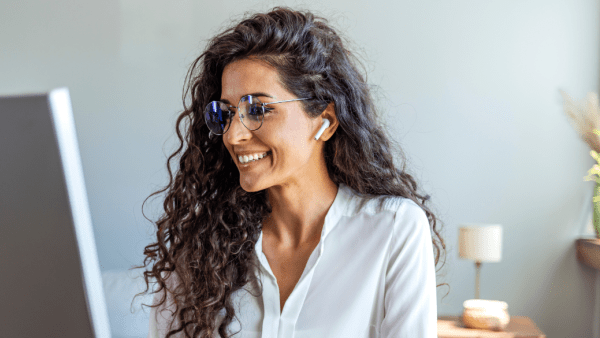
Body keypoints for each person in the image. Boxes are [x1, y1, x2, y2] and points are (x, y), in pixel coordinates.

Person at [135, 7, 447, 338]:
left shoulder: (393, 229)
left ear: (325, 120)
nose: (232, 135)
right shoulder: (202, 248)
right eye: (226, 113)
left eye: (258, 110)